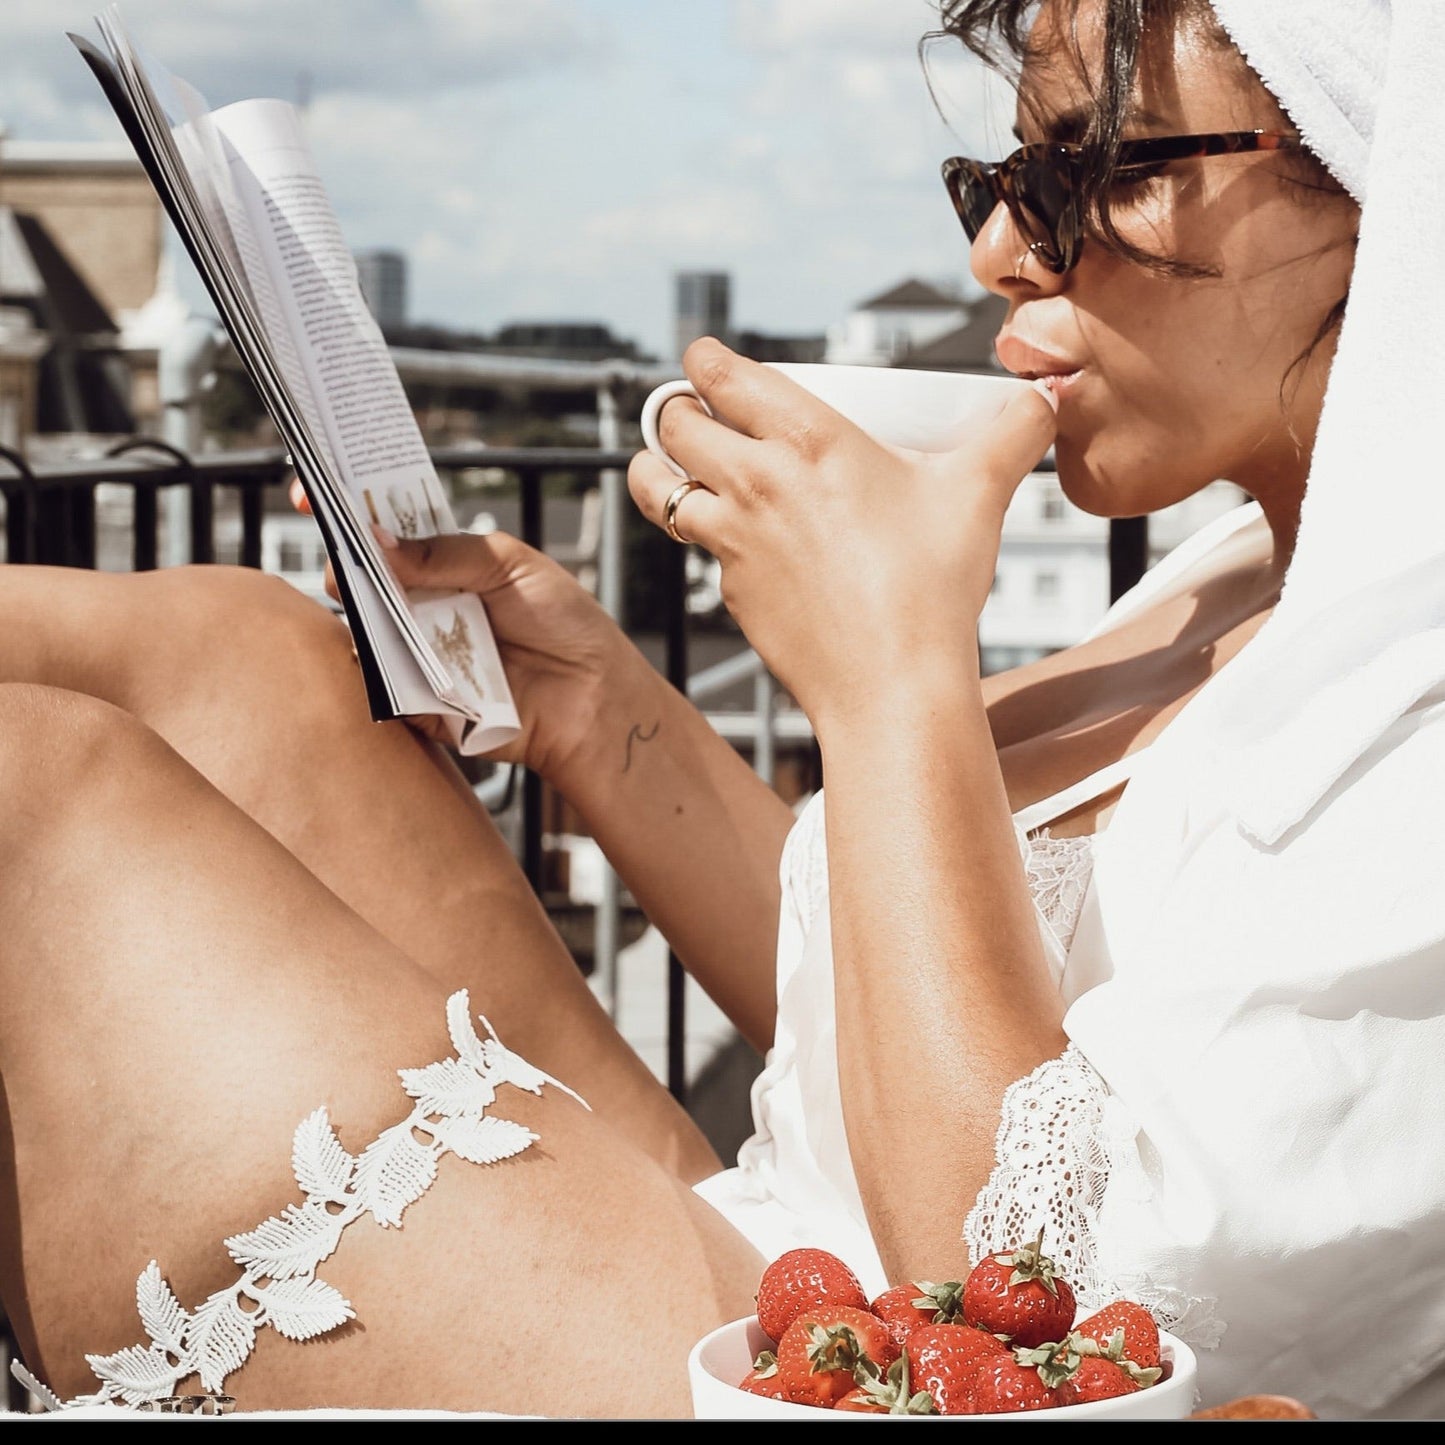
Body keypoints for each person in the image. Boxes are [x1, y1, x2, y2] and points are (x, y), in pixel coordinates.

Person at [0, 0, 1438, 1420]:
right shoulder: (1243, 575)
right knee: (241, 654)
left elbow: (1031, 1323)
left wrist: (886, 675)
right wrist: (599, 711)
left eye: (1093, 169)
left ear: (1391, 181)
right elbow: (871, 999)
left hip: (871, 1373)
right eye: (998, 185)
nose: (1002, 250)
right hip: (781, 1267)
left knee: (32, 790)